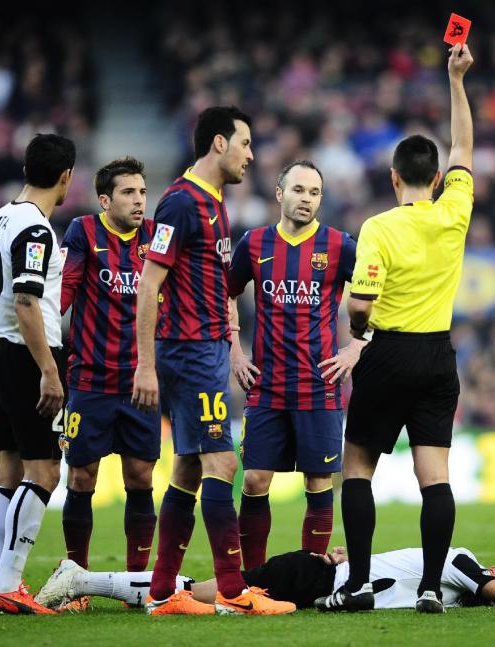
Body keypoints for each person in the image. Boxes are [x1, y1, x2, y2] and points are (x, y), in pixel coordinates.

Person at [315, 43, 474, 615]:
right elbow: (464, 145)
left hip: (387, 353)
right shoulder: (456, 211)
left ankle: (358, 582)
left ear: (393, 177)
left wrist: (359, 330)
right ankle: (431, 586)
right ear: (437, 176)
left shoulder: (378, 227)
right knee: (434, 475)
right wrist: (456, 79)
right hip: (438, 356)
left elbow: (360, 302)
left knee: (357, 468)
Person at [130, 106, 295, 616]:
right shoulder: (180, 203)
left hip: (205, 350)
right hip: (188, 351)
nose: (252, 153)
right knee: (222, 461)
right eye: (245, 143)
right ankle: (231, 590)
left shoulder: (215, 203)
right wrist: (145, 364)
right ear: (219, 143)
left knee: (186, 470)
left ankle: (161, 594)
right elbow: (149, 284)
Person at [227, 159, 360, 568]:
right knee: (253, 480)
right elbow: (227, 294)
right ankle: (253, 578)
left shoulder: (340, 245)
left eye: (315, 192)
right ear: (280, 193)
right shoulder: (254, 243)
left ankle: (311, 573)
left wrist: (356, 347)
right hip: (266, 385)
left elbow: (379, 296)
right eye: (299, 190)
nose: (307, 199)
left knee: (319, 481)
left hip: (319, 384)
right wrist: (234, 349)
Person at [0, 133, 75, 615]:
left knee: (8, 468)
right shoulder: (36, 230)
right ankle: (7, 583)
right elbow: (28, 300)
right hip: (27, 358)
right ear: (66, 177)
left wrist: (4, 328)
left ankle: (5, 578)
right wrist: (47, 369)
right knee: (45, 470)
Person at [57, 157, 158, 585]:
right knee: (81, 476)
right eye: (128, 193)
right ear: (104, 199)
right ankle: (75, 576)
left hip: (141, 380)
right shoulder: (83, 232)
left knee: (140, 476)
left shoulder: (155, 236)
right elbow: (63, 291)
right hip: (90, 380)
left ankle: (137, 581)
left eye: (141, 192)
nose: (139, 201)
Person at [35, 546, 495, 611]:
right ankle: (81, 579)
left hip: (320, 580)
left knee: (200, 594)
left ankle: (87, 581)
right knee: (192, 592)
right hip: (313, 576)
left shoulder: (447, 586)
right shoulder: (461, 559)